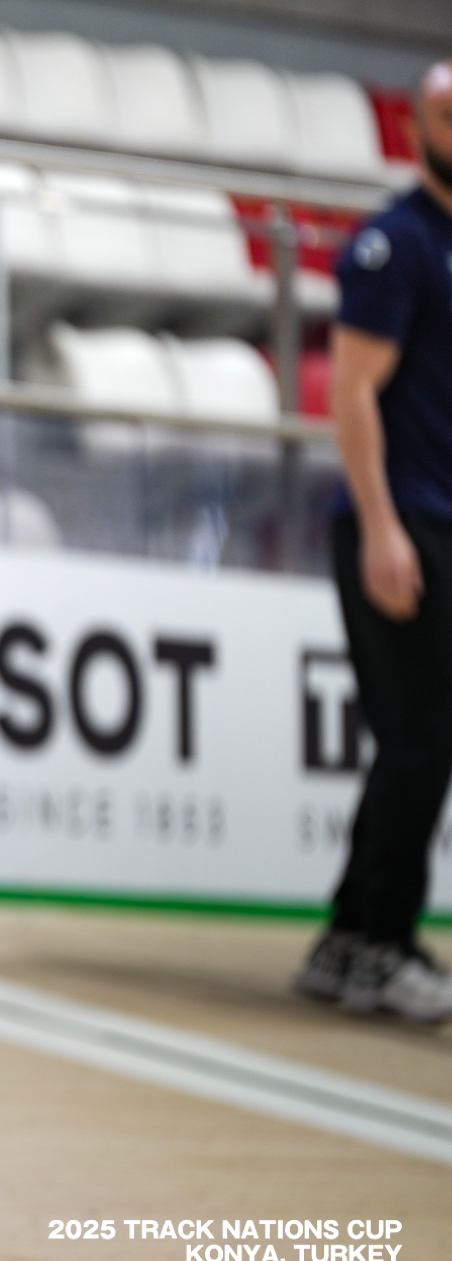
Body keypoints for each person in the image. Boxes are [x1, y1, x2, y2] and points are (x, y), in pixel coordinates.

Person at [293, 59, 452, 1024]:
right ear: (418, 125)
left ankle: (363, 932)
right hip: (400, 524)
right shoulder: (393, 245)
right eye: (445, 112)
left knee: (427, 741)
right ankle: (370, 940)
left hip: (440, 519)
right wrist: (383, 527)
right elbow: (352, 395)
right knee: (418, 738)